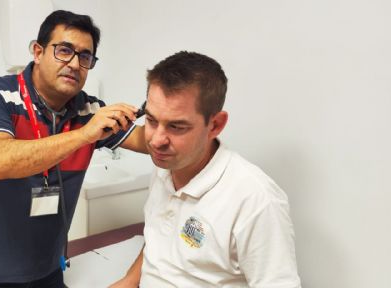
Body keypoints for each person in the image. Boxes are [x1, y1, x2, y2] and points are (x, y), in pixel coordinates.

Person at [0, 10, 146, 287]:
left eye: (85, 57)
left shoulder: (89, 108)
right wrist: (85, 134)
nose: (75, 64)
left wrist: (168, 111)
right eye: (64, 50)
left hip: (45, 268)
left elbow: (149, 141)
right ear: (38, 52)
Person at [111, 51, 301, 287]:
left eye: (177, 126)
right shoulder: (167, 164)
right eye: (151, 120)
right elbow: (158, 239)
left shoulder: (256, 200)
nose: (156, 140)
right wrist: (128, 281)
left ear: (215, 125)